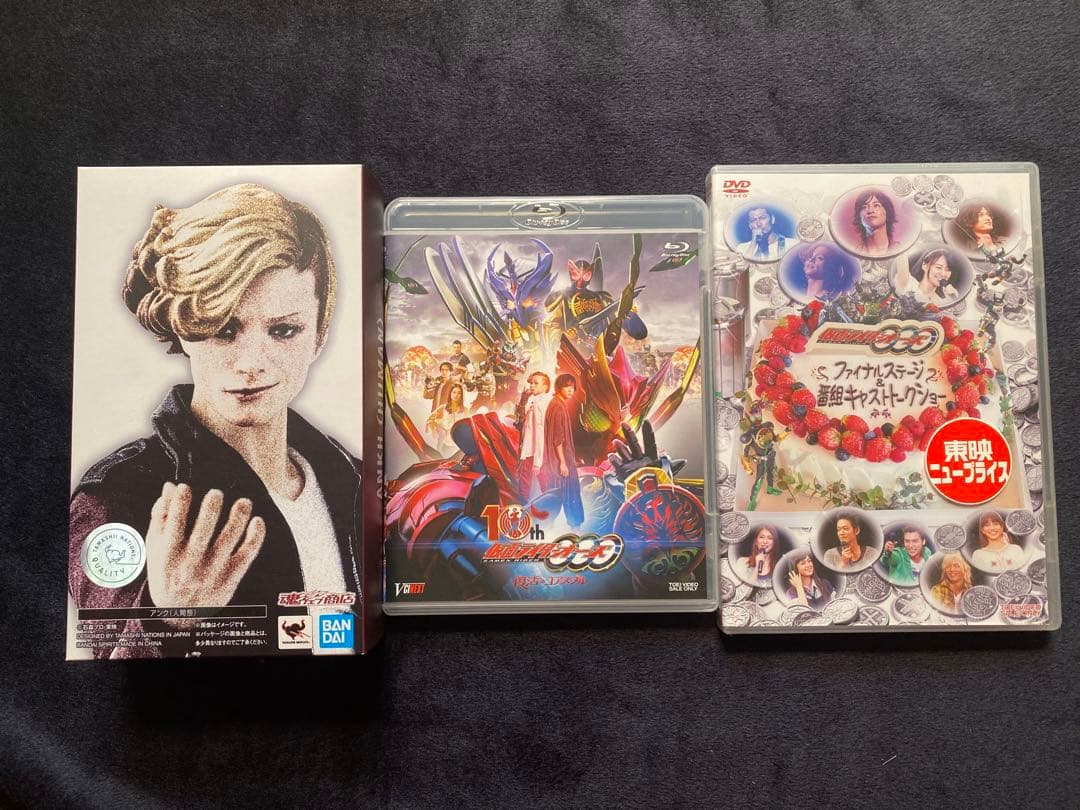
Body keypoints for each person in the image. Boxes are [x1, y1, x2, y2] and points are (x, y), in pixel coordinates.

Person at [68, 183, 361, 658]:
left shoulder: (351, 478)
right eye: (224, 329)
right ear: (183, 328)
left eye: (284, 330)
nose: (252, 363)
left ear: (319, 334)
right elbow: (114, 686)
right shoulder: (115, 497)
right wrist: (169, 617)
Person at [541, 373, 584, 527]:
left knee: (557, 493)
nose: (570, 390)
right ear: (559, 387)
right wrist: (563, 462)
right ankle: (575, 527)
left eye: (572, 387)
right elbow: (558, 438)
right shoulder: (558, 407)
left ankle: (548, 524)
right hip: (561, 460)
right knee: (571, 492)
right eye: (567, 386)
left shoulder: (557, 404)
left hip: (557, 460)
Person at [516, 372, 552, 499]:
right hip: (529, 449)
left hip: (537, 450)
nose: (532, 385)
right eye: (531, 383)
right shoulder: (533, 401)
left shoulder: (542, 404)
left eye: (536, 383)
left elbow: (540, 431)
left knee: (542, 481)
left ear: (545, 387)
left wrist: (538, 461)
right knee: (525, 481)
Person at [894, 248, 960, 303]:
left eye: (948, 270)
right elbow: (901, 248)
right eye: (938, 267)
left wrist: (954, 298)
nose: (943, 274)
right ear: (924, 265)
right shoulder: (908, 283)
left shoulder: (943, 301)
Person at [852, 190, 900, 256]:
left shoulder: (901, 251)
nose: (870, 210)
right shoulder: (853, 253)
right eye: (864, 207)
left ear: (887, 211)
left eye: (876, 205)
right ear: (859, 216)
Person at [426, 382, 467, 451]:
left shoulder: (465, 410)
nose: (456, 395)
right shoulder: (443, 408)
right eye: (454, 392)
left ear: (461, 395)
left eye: (459, 393)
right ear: (450, 393)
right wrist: (434, 430)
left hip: (460, 447)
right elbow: (430, 420)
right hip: (445, 445)